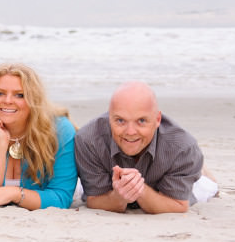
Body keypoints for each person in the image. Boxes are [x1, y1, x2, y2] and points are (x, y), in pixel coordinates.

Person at [75, 81, 216, 212]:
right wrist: (119, 197)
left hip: (169, 186)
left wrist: (139, 189)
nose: (130, 132)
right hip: (109, 188)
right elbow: (94, 200)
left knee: (208, 187)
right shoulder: (88, 140)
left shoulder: (183, 147)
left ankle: (203, 173)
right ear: (109, 118)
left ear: (157, 119)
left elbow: (178, 205)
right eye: (120, 120)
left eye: (141, 121)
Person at [0, 63, 77, 209]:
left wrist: (15, 194)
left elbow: (61, 197)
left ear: (34, 100)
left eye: (20, 95)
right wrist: (0, 145)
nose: (7, 101)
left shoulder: (61, 130)